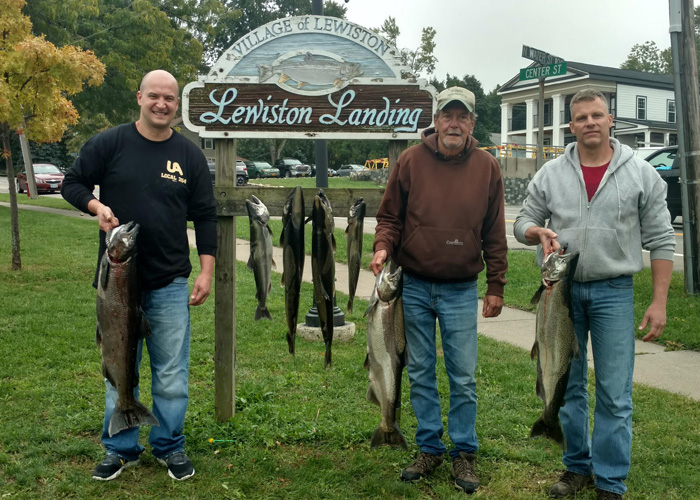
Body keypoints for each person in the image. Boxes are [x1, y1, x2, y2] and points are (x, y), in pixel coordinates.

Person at [514, 89, 675, 500]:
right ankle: (576, 467)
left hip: (613, 293)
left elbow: (660, 241)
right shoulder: (550, 173)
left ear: (610, 120)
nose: (589, 122)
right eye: (581, 117)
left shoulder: (642, 174)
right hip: (560, 295)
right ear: (571, 125)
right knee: (567, 385)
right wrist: (537, 232)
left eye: (596, 115)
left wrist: (659, 303)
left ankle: (610, 482)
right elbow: (524, 221)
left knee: (614, 392)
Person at [61, 70, 217, 482]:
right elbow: (72, 183)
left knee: (171, 375)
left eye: (169, 98)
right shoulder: (109, 143)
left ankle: (169, 446)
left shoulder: (190, 156)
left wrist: (206, 270)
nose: (161, 104)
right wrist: (96, 208)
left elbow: (204, 216)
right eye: (154, 97)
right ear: (139, 98)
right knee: (119, 367)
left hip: (169, 284)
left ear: (177, 106)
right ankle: (121, 448)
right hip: (116, 286)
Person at [370, 86, 508, 494]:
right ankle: (428, 446)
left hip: (461, 289)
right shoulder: (411, 160)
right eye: (447, 115)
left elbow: (494, 232)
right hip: (411, 286)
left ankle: (464, 453)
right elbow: (389, 217)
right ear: (436, 119)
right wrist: (382, 247)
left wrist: (496, 284)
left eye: (461, 116)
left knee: (462, 376)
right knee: (419, 372)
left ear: (471, 123)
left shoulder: (487, 167)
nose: (453, 123)